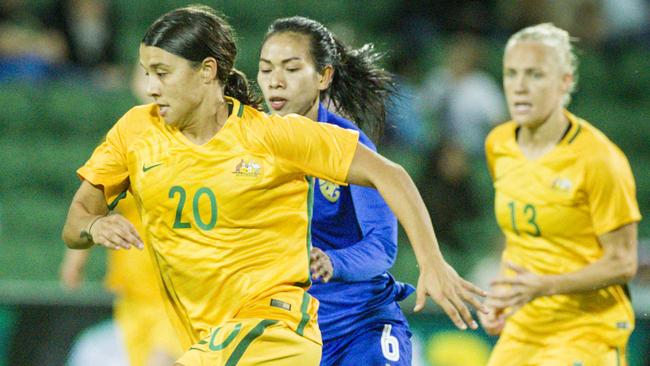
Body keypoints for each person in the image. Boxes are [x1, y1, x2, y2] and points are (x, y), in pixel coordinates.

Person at [61, 5, 485, 365]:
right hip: (212, 330)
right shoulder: (140, 131)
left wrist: (427, 261)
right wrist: (94, 228)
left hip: (302, 324)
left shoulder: (282, 139)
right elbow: (78, 218)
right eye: (266, 69)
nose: (151, 88)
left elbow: (388, 191)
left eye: (163, 73)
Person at [479, 23, 641, 365]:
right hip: (525, 325)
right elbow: (519, 236)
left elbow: (624, 262)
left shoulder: (599, 159)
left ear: (565, 82)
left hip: (587, 329)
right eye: (512, 73)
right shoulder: (500, 144)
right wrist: (504, 296)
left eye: (535, 75)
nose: (520, 87)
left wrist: (546, 285)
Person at [257, 16, 412, 365]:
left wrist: (333, 261)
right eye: (265, 69)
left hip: (360, 326)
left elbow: (382, 246)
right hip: (289, 332)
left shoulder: (350, 148)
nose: (275, 82)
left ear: (322, 77)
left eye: (291, 69)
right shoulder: (247, 145)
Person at [61, 193, 182, 366]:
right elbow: (91, 207)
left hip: (175, 296)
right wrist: (75, 260)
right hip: (131, 297)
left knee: (162, 359)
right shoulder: (122, 169)